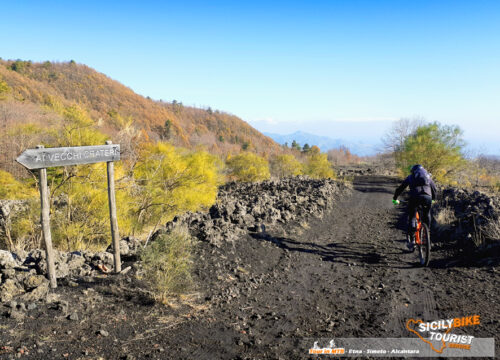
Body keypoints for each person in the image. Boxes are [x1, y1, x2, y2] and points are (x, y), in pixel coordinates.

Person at [392, 164, 437, 251]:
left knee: (412, 216)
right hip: (428, 197)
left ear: (413, 171)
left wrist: (395, 198)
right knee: (427, 214)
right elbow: (434, 189)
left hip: (415, 197)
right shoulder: (427, 177)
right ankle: (427, 233)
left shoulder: (411, 177)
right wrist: (433, 199)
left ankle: (412, 240)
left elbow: (400, 188)